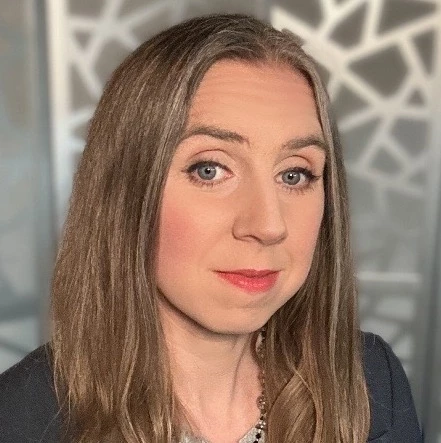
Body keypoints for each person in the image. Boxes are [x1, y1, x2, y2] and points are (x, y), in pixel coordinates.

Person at [0, 13, 422, 443]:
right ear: (124, 191)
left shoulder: (371, 380)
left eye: (294, 175)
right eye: (210, 169)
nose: (268, 225)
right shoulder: (17, 420)